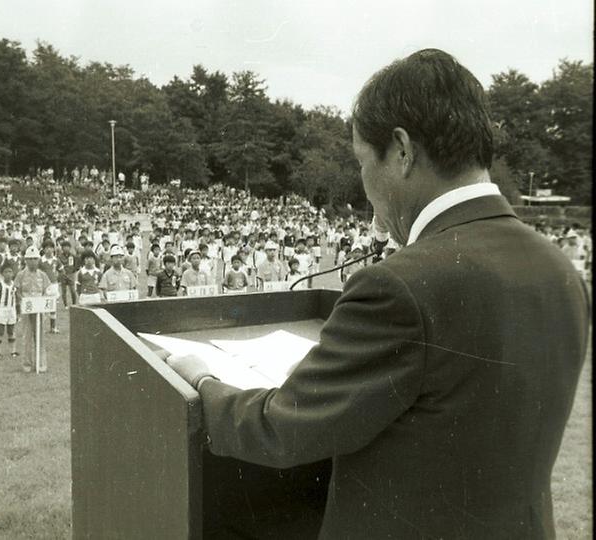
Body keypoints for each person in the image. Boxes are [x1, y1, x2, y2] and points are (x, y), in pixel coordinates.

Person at [166, 49, 590, 539]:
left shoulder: (403, 283)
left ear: (402, 150)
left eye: (363, 162)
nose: (365, 186)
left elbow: (280, 429)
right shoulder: (560, 269)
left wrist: (201, 378)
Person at [15, 246, 51, 373]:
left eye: (35, 259)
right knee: (27, 336)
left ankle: (41, 364)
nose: (32, 262)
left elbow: (48, 290)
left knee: (40, 336)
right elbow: (17, 290)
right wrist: (22, 301)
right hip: (26, 309)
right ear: (26, 260)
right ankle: (27, 364)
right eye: (30, 259)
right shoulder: (20, 275)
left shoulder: (43, 275)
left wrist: (44, 301)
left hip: (39, 310)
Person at [0, 263, 18, 358]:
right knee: (0, 331)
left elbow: (17, 298)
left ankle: (13, 351)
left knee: (11, 330)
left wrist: (17, 311)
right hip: (2, 309)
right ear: (2, 274)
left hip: (11, 310)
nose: (8, 274)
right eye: (6, 272)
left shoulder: (14, 285)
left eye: (10, 272)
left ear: (13, 274)